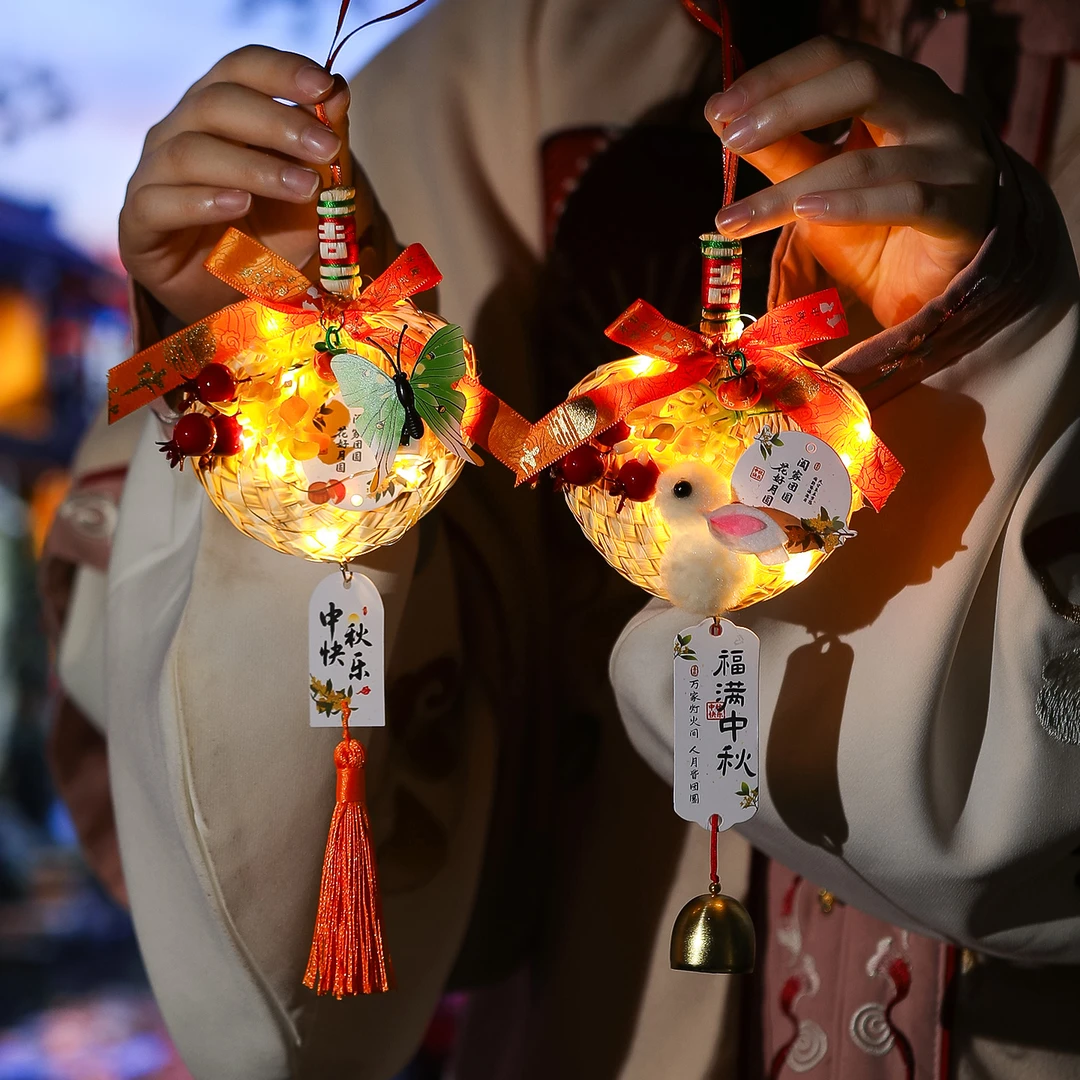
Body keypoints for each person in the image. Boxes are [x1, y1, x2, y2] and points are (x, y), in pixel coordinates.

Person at [43, 0, 1080, 1077]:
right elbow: (268, 832)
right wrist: (264, 343)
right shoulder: (487, 71)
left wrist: (985, 344)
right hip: (611, 1009)